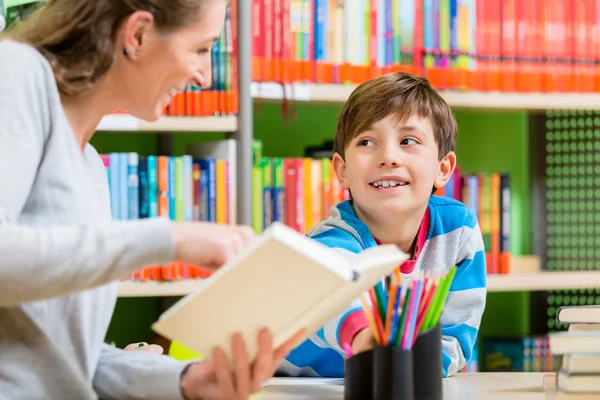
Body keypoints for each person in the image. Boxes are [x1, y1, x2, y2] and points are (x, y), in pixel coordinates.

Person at [0, 0, 303, 399]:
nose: (204, 76)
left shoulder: (90, 166)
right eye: (200, 48)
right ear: (138, 35)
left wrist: (185, 380)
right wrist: (170, 239)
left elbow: (66, 363)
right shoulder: (17, 71)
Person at [279, 72, 486, 378]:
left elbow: (455, 336)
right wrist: (366, 337)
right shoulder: (329, 241)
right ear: (343, 170)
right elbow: (337, 300)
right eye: (367, 142)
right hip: (286, 385)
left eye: (408, 141)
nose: (388, 157)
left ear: (443, 169)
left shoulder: (459, 230)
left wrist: (408, 371)